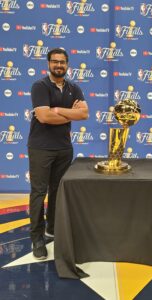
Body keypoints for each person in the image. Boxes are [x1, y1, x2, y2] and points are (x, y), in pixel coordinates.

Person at [27, 48, 89, 260]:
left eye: (62, 62)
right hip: (41, 147)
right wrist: (68, 113)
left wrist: (58, 110)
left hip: (64, 148)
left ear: (67, 65)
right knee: (38, 192)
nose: (59, 65)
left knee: (57, 190)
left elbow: (84, 114)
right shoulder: (40, 86)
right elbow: (44, 117)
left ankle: (52, 228)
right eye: (55, 62)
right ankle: (36, 238)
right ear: (48, 64)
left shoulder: (75, 88)